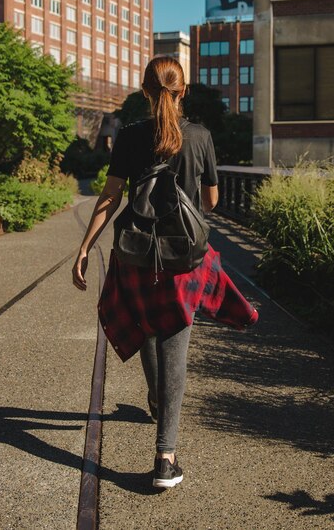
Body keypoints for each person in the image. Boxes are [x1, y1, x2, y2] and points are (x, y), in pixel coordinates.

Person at [72, 56, 257, 489]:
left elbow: (109, 197)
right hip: (181, 261)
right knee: (175, 345)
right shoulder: (200, 137)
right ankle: (165, 458)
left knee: (148, 328)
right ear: (183, 92)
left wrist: (84, 248)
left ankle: (156, 399)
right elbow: (210, 203)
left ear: (143, 91)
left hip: (136, 256)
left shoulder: (132, 135)